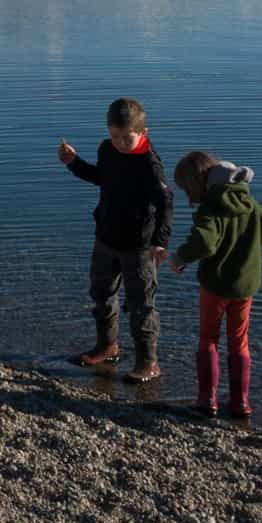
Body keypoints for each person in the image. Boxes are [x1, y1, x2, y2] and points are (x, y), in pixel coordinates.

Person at [57, 97, 173, 382]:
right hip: (106, 238)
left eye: (127, 138)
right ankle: (106, 346)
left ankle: (148, 362)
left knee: (141, 304)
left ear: (143, 133)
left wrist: (160, 241)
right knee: (101, 294)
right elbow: (102, 178)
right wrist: (73, 163)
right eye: (115, 136)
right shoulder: (107, 149)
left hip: (139, 245)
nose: (121, 142)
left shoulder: (149, 163)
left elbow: (166, 201)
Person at [170, 150, 262, 418]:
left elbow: (205, 243)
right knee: (239, 342)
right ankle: (241, 402)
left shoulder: (210, 209)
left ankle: (207, 400)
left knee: (209, 339)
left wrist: (179, 257)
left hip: (215, 286)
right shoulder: (248, 201)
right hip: (245, 286)